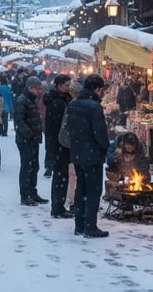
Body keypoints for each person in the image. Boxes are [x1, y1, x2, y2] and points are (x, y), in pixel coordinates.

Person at [67, 74, 109, 238]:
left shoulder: (73, 104)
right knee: (93, 190)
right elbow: (100, 133)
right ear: (97, 89)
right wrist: (104, 147)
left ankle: (80, 224)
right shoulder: (94, 107)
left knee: (81, 189)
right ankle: (90, 226)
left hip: (77, 152)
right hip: (92, 154)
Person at [14, 76, 48, 206]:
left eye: (40, 88)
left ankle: (32, 193)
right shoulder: (23, 101)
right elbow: (20, 121)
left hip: (33, 139)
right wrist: (30, 134)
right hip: (25, 140)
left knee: (34, 167)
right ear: (30, 88)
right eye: (37, 88)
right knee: (27, 167)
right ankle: (25, 195)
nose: (39, 91)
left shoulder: (31, 100)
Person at [43, 74, 73, 218]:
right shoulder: (58, 102)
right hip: (59, 144)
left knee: (61, 176)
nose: (69, 88)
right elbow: (57, 126)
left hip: (58, 143)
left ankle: (58, 206)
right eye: (67, 85)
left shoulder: (60, 99)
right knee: (60, 176)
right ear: (59, 86)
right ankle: (57, 208)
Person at [66, 81, 83, 210]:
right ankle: (74, 200)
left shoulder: (71, 105)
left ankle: (74, 199)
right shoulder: (74, 106)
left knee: (74, 175)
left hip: (74, 145)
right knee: (74, 175)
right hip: (75, 145)